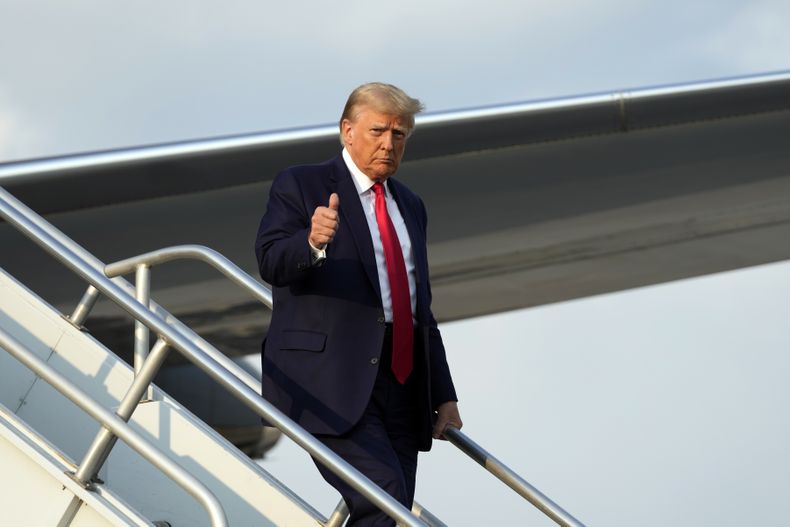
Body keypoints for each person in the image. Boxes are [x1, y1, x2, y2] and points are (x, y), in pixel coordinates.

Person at [255, 82, 462, 526]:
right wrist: (310, 241)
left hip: (403, 379)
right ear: (347, 131)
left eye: (400, 134)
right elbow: (270, 261)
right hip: (329, 379)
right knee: (383, 497)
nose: (389, 144)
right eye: (378, 131)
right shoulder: (301, 183)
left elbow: (420, 307)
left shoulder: (411, 205)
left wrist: (443, 393)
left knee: (393, 508)